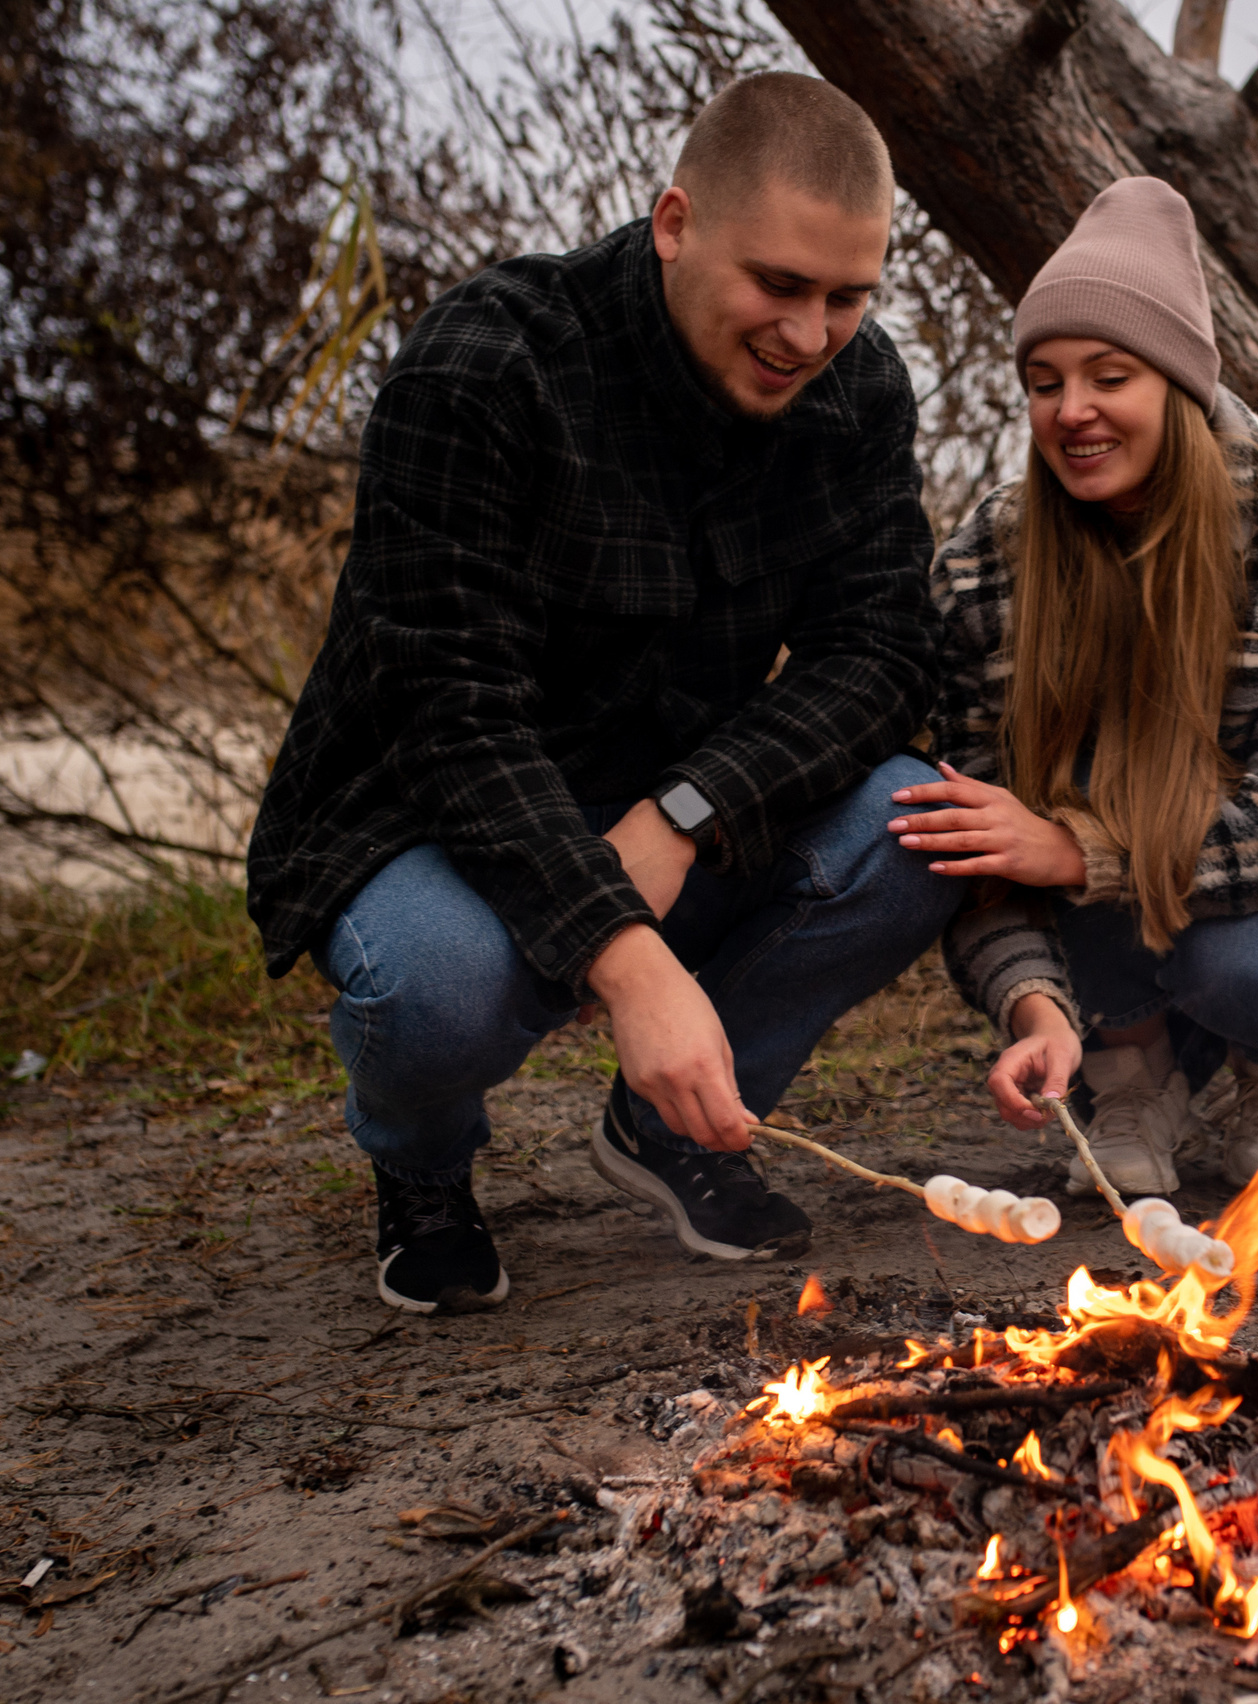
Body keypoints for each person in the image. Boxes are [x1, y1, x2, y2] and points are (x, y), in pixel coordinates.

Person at [246, 73, 960, 1314]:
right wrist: (625, 960)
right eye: (778, 286)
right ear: (674, 223)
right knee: (435, 987)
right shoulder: (483, 364)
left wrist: (687, 812)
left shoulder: (860, 390)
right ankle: (419, 1168)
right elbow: (447, 711)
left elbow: (883, 656)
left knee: (919, 824)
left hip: (665, 811)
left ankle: (670, 1134)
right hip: (436, 821)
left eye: (849, 296)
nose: (810, 334)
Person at [891, 177, 1258, 1197]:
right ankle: (1128, 1070)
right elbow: (974, 832)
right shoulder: (987, 561)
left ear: (1179, 384)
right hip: (1111, 895)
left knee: (1237, 967)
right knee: (1051, 812)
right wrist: (1034, 1007)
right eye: (1045, 382)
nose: (1073, 411)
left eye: (1110, 376)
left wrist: (1076, 850)